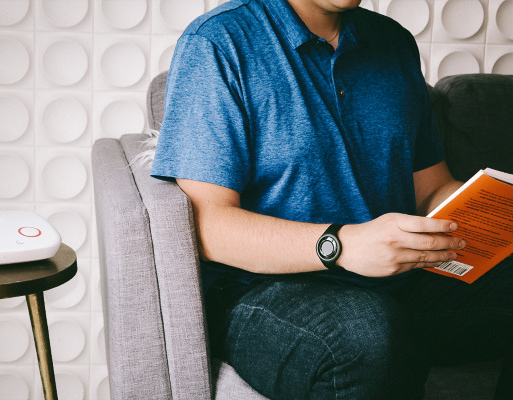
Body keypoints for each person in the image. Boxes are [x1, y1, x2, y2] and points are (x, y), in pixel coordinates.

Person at [151, 0, 513, 398]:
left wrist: (491, 211)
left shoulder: (393, 43)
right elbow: (207, 227)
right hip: (259, 291)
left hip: (396, 278)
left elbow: (431, 188)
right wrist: (343, 245)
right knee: (366, 335)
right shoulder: (217, 42)